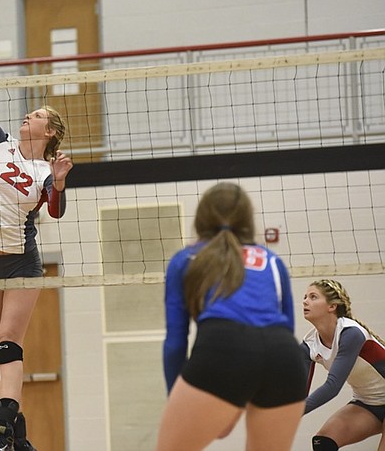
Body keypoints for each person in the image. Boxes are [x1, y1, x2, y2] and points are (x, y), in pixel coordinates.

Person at [0, 5, 73, 451]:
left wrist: (60, 184)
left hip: (24, 263)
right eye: (28, 115)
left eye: (37, 116)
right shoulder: (1, 147)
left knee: (8, 343)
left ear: (49, 132)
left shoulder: (47, 169)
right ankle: (21, 434)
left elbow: (55, 210)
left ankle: (3, 434)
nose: (29, 117)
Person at [157, 182, 306, 451]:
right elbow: (288, 328)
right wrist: (246, 387)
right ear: (248, 220)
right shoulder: (272, 261)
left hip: (223, 349)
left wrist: (176, 399)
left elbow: (175, 342)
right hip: (285, 359)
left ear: (201, 219)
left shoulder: (186, 259)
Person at [301, 278, 385, 450]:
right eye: (305, 296)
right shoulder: (309, 344)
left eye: (313, 297)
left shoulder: (350, 333)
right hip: (368, 404)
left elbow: (333, 386)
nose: (305, 301)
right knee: (323, 442)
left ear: (332, 306)